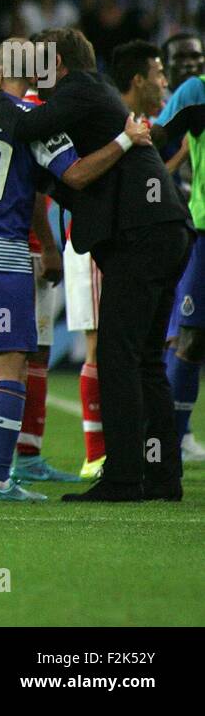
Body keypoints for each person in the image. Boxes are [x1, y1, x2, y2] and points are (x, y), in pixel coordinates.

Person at [0, 39, 152, 501]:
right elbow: (78, 175)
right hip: (0, 257)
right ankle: (1, 479)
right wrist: (127, 139)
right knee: (11, 369)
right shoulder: (36, 120)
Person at [0, 27, 195, 502]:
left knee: (117, 356)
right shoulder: (90, 97)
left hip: (142, 234)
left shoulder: (81, 90)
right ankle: (161, 476)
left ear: (57, 64)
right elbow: (70, 177)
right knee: (146, 361)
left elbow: (28, 127)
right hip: (163, 230)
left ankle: (124, 477)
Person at [150, 37, 205, 463]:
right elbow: (152, 140)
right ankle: (170, 442)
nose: (191, 63)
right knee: (189, 338)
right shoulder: (195, 92)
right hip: (200, 232)